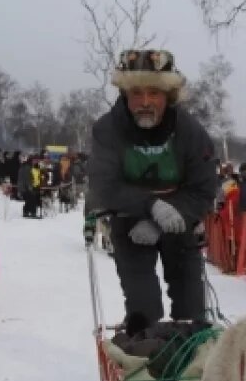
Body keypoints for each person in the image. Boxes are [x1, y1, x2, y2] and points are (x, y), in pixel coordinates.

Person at [87, 49, 219, 326]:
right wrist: (151, 206)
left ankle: (189, 358)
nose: (145, 102)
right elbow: (104, 185)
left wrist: (165, 219)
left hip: (180, 220)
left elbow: (204, 189)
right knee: (143, 308)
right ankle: (145, 358)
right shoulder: (107, 130)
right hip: (129, 220)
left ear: (168, 96)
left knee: (191, 308)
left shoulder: (190, 132)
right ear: (125, 94)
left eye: (154, 93)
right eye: (136, 93)